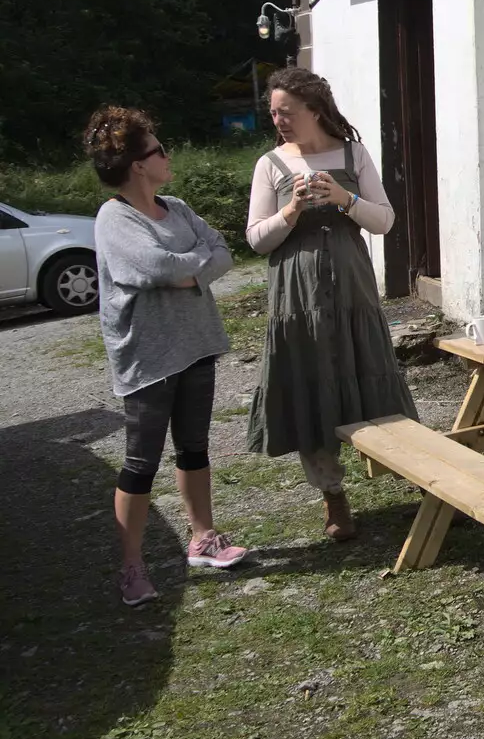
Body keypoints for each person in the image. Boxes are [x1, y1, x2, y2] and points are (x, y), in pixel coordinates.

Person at [86, 106, 249, 607]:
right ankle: (131, 565)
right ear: (138, 163)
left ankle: (203, 538)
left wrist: (187, 270)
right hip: (148, 358)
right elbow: (154, 266)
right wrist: (193, 266)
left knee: (194, 447)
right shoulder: (115, 218)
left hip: (197, 344)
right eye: (158, 149)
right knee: (140, 463)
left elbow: (223, 250)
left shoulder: (175, 207)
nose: (166, 155)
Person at [246, 67, 416, 541]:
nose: (278, 120)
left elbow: (383, 221)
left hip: (350, 288)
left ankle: (420, 474)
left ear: (315, 110)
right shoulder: (271, 164)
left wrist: (344, 198)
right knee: (311, 381)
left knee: (368, 372)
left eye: (287, 112)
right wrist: (291, 209)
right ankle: (333, 496)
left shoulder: (352, 153)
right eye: (274, 112)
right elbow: (256, 240)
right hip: (296, 296)